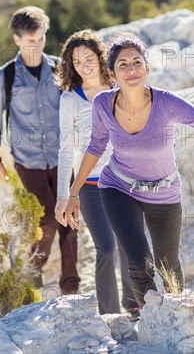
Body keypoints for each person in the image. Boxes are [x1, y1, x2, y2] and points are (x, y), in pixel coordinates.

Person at [64, 35, 194, 307]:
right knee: (139, 262)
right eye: (123, 65)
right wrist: (74, 192)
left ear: (147, 68)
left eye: (137, 62)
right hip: (118, 188)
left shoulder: (167, 103)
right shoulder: (103, 103)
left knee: (168, 266)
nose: (131, 69)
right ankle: (151, 317)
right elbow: (95, 145)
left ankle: (176, 313)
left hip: (164, 193)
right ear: (111, 73)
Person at [0, 6, 79, 295]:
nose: (36, 46)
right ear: (17, 40)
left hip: (62, 158)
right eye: (30, 41)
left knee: (71, 221)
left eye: (40, 40)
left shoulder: (59, 69)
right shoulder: (6, 77)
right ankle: (30, 275)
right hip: (28, 163)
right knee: (47, 219)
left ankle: (70, 286)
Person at [54, 30, 140, 317]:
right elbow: (66, 149)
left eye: (89, 58)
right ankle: (110, 315)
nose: (84, 65)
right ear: (71, 65)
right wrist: (63, 196)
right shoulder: (69, 99)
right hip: (90, 184)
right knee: (105, 248)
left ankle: (135, 305)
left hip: (125, 180)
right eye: (77, 61)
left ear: (100, 57)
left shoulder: (119, 85)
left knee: (130, 244)